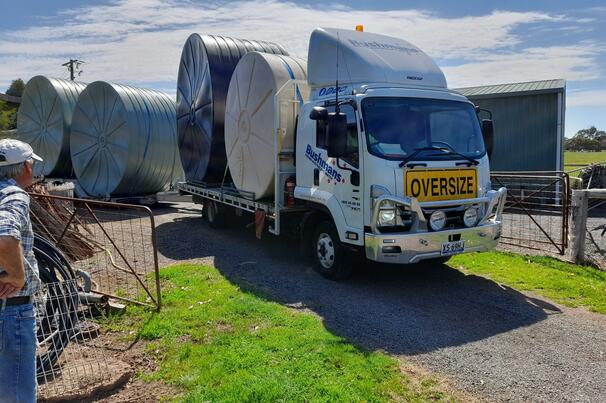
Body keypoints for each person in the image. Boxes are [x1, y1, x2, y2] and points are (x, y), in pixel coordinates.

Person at [0, 139, 43, 403]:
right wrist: (16, 275)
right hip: (11, 310)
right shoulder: (12, 195)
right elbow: (4, 237)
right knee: (16, 394)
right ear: (25, 167)